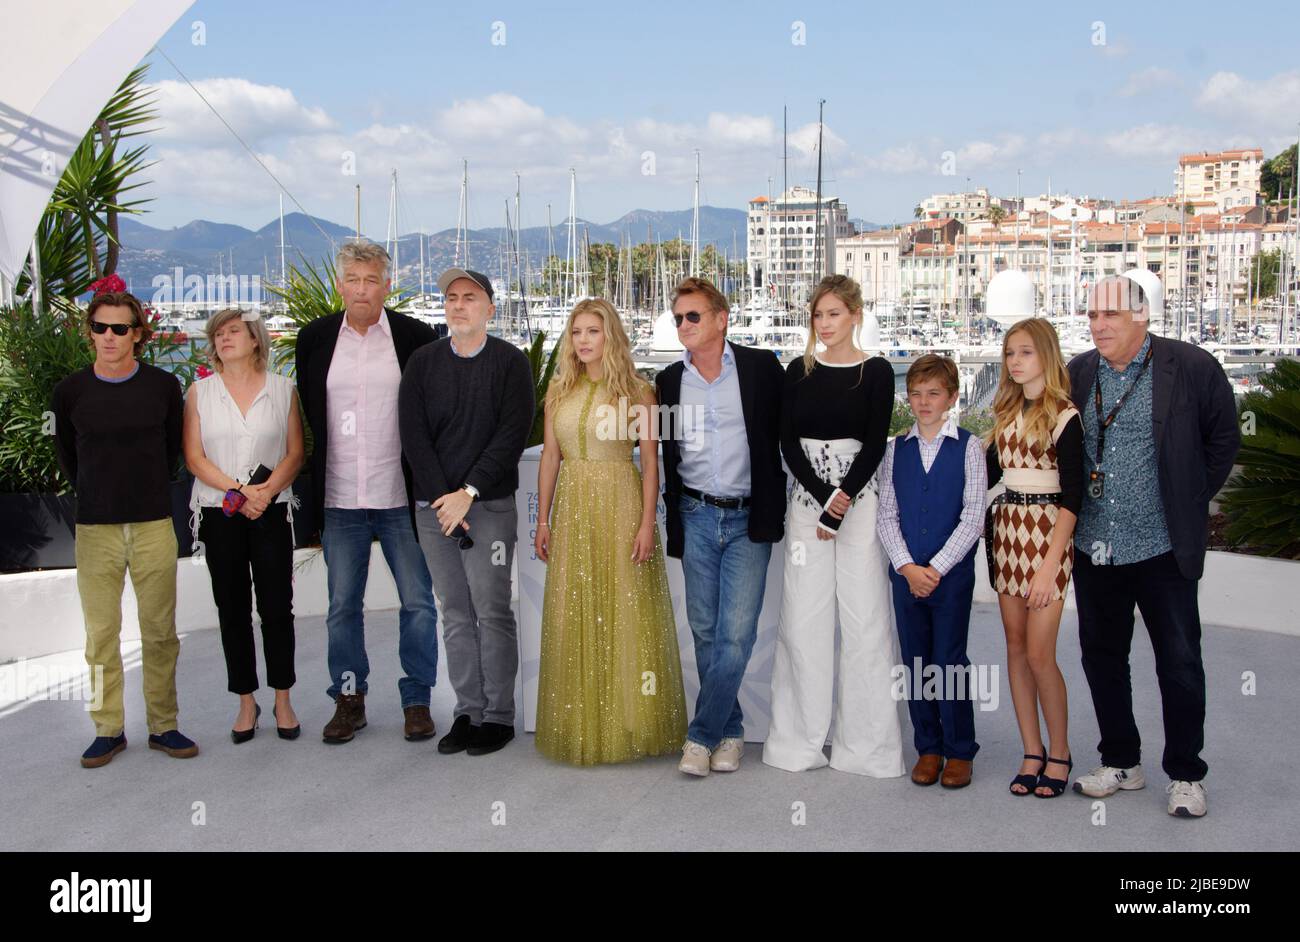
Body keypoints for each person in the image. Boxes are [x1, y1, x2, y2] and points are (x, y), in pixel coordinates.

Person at [1068, 275, 1240, 818]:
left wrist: (1189, 499)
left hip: (1162, 547)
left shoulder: (1190, 367)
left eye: (1111, 316)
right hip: (1096, 548)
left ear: (1142, 316)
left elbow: (1223, 439)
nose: (1099, 325)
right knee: (1102, 659)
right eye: (1093, 315)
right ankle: (1122, 761)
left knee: (1180, 662)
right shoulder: (1077, 373)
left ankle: (1186, 774)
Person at [295, 240, 440, 744]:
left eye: (371, 279)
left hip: (401, 495)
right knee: (341, 607)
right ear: (340, 285)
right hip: (339, 497)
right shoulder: (314, 339)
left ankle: (417, 700)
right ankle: (349, 701)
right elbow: (310, 421)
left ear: (386, 285)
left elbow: (430, 415)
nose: (361, 289)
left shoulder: (414, 337)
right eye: (353, 279)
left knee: (419, 602)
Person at [532, 299, 688, 764]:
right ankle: (582, 722)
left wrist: (646, 523)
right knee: (575, 610)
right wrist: (542, 519)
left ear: (610, 336)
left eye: (592, 331)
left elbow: (650, 463)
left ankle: (629, 722)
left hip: (620, 506)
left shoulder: (640, 392)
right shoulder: (558, 391)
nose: (583, 340)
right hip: (573, 508)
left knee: (625, 612)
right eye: (576, 331)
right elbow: (549, 459)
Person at [762, 275, 904, 778]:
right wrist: (824, 501)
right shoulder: (796, 371)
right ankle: (798, 741)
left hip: (860, 501)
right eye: (818, 316)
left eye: (834, 315)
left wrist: (842, 501)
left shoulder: (878, 371)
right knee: (804, 619)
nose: (825, 325)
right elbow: (786, 443)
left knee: (865, 620)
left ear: (856, 315)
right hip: (807, 503)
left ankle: (866, 748)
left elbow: (875, 442)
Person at [51, 286, 198, 767]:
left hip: (154, 522)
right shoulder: (70, 391)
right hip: (96, 528)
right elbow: (68, 456)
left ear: (138, 335)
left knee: (160, 632)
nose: (109, 337)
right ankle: (106, 729)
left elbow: (174, 448)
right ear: (89, 333)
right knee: (100, 636)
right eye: (100, 328)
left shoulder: (161, 386)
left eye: (120, 329)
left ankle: (164, 725)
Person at [398, 268, 533, 756]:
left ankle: (497, 716)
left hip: (489, 507)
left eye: (470, 298)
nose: (458, 305)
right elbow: (413, 435)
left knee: (492, 609)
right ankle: (467, 711)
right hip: (435, 511)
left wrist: (468, 492)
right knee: (454, 612)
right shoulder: (422, 363)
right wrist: (443, 499)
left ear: (490, 308)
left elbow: (511, 434)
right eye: (451, 298)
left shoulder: (511, 364)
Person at [655, 277, 786, 776]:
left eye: (693, 316)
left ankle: (700, 736)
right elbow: (660, 449)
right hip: (694, 513)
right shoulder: (668, 381)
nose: (683, 325)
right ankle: (730, 731)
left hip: (748, 516)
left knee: (736, 632)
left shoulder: (760, 369)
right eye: (678, 318)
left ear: (721, 318)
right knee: (706, 630)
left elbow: (787, 432)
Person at [184, 308, 304, 743]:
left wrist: (265, 492)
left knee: (276, 608)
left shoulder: (283, 388)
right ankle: (246, 702)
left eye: (234, 331)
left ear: (255, 340)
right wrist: (241, 490)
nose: (224, 338)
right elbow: (195, 458)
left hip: (270, 510)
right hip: (221, 512)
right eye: (218, 333)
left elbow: (295, 452)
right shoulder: (199, 392)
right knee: (232, 608)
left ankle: (283, 698)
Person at [876, 355, 986, 788]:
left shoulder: (968, 447)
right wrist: (906, 566)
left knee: (949, 660)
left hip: (950, 579)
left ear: (952, 398)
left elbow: (973, 516)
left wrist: (935, 569)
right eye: (917, 394)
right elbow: (887, 515)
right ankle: (929, 746)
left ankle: (960, 750)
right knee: (916, 661)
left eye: (934, 394)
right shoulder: (894, 450)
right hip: (906, 578)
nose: (924, 402)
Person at [985, 318, 1083, 797]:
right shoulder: (1004, 414)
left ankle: (1060, 751)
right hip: (1008, 531)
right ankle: (1031, 749)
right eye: (1009, 353)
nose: (1015, 361)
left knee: (1042, 654)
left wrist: (1050, 564)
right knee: (1016, 647)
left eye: (1024, 352)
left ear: (1046, 354)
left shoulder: (1065, 414)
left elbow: (1075, 496)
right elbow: (982, 476)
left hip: (1048, 536)